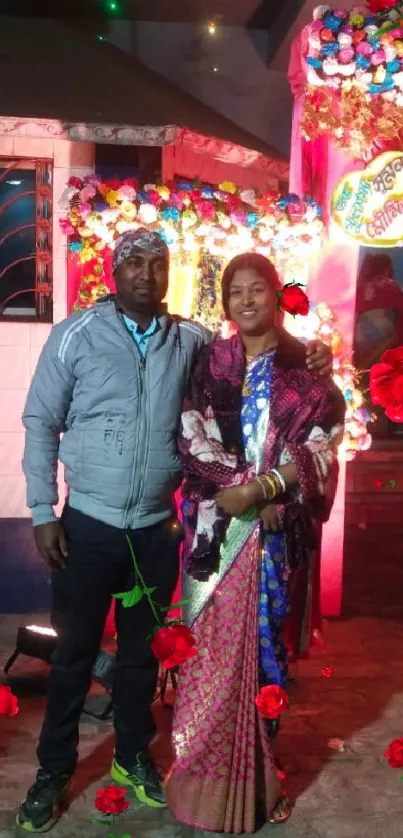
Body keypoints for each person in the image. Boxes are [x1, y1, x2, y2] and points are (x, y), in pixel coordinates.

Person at [18, 229, 332, 833]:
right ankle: (53, 772)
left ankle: (133, 757)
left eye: (157, 264)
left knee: (143, 655)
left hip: (157, 532)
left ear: (169, 275)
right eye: (133, 262)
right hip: (85, 524)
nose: (145, 274)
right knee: (73, 656)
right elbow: (39, 422)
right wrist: (40, 511)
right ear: (114, 271)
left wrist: (313, 357)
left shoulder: (191, 340)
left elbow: (255, 361)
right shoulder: (75, 335)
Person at [165, 252, 345, 833]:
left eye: (258, 290)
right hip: (217, 536)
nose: (247, 301)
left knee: (268, 655)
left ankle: (262, 776)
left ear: (276, 295)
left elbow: (323, 443)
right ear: (225, 303)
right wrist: (245, 490)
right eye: (235, 292)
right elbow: (190, 436)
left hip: (275, 537)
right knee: (209, 657)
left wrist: (271, 491)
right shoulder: (210, 360)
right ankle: (199, 778)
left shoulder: (306, 365)